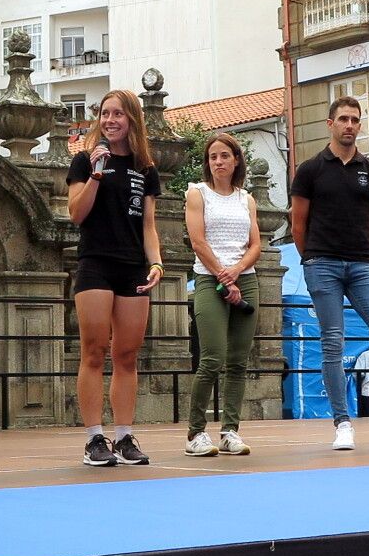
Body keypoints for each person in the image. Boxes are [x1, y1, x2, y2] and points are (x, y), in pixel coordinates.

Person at [291, 96, 369, 451]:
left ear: (359, 125)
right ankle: (342, 423)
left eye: (355, 120)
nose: (350, 125)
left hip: (362, 264)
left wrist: (357, 253)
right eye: (344, 119)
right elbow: (298, 224)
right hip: (322, 264)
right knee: (333, 341)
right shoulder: (311, 169)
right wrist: (312, 259)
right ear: (330, 123)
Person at [66, 89, 163, 466]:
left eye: (118, 114)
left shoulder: (145, 168)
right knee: (93, 351)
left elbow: (149, 226)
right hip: (95, 264)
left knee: (127, 355)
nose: (110, 120)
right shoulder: (83, 162)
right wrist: (95, 174)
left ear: (132, 120)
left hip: (132, 266)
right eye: (105, 113)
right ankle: (94, 439)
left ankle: (123, 436)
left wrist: (156, 264)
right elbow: (77, 213)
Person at [183, 134, 261, 457]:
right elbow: (197, 241)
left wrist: (237, 271)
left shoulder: (247, 199)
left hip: (245, 280)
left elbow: (255, 244)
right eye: (213, 157)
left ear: (236, 160)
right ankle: (195, 433)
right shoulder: (196, 193)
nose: (218, 162)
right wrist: (222, 275)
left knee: (238, 362)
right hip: (209, 280)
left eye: (224, 156)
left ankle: (230, 430)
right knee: (212, 358)